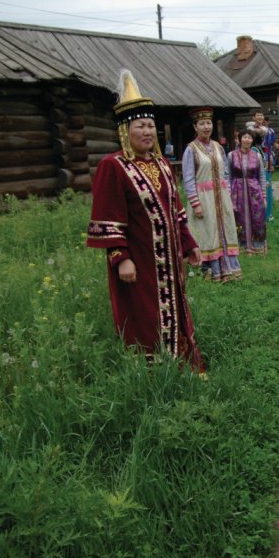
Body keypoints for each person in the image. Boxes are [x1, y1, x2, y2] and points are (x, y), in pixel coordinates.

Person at [87, 69, 205, 373]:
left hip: (170, 262)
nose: (148, 132)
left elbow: (176, 211)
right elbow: (107, 221)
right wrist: (120, 257)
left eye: (151, 125)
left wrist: (189, 244)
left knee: (175, 308)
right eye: (140, 125)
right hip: (138, 261)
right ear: (125, 130)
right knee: (144, 313)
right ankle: (151, 373)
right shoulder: (112, 167)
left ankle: (180, 363)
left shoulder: (163, 164)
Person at [181, 107, 243, 282]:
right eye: (202, 124)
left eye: (208, 123)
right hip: (204, 199)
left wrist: (228, 195)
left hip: (221, 197)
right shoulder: (191, 150)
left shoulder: (218, 147)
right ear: (195, 127)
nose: (206, 127)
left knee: (226, 230)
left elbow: (225, 174)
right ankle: (209, 271)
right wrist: (195, 203)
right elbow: (188, 178)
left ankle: (228, 269)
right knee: (207, 233)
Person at [228, 129, 268, 254]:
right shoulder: (231, 155)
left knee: (256, 216)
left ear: (252, 140)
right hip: (237, 190)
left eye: (249, 138)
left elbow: (261, 176)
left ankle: (257, 245)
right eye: (244, 137)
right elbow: (227, 176)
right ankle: (241, 245)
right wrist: (228, 193)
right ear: (239, 140)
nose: (247, 139)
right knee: (238, 216)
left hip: (254, 190)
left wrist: (264, 196)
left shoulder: (257, 156)